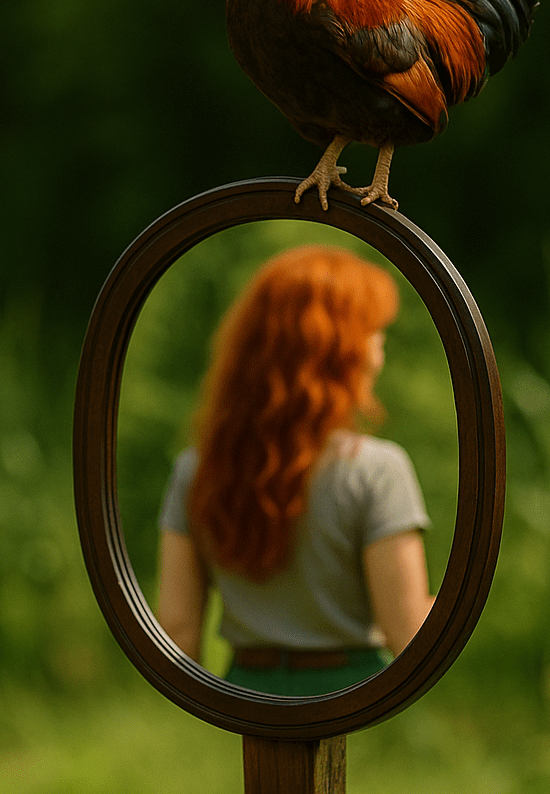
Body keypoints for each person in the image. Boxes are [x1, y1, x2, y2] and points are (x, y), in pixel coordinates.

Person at [154, 245, 433, 697]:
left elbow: (179, 633)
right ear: (340, 353)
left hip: (246, 697)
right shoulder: (377, 470)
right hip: (357, 698)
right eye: (375, 335)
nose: (380, 355)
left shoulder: (195, 469)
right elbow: (408, 633)